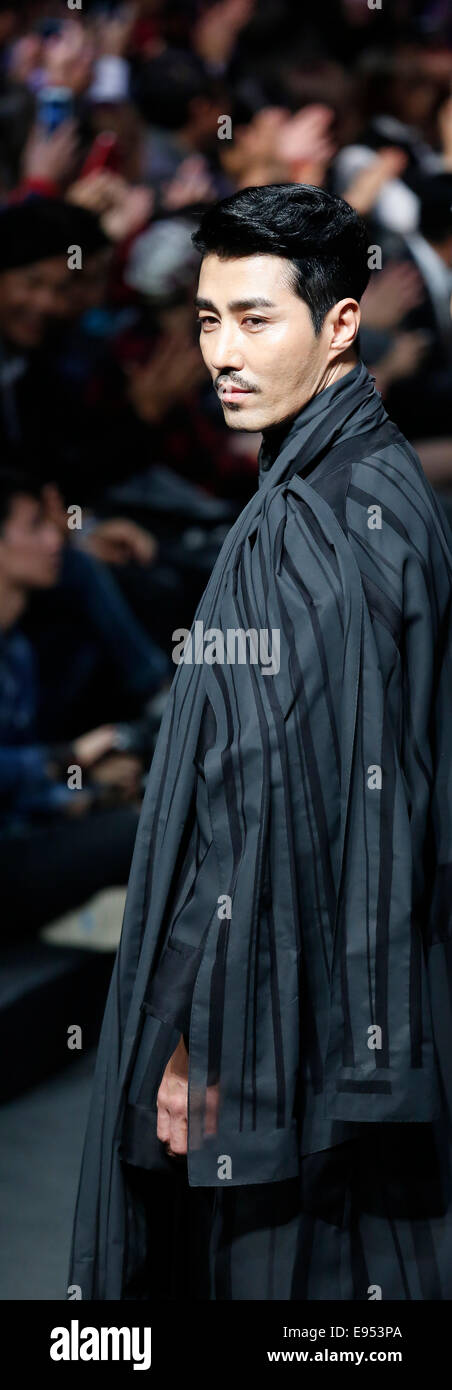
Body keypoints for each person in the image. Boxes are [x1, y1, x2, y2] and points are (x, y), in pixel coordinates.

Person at [68, 183, 452, 1301]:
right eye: (205, 320)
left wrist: (190, 1042)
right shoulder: (368, 485)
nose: (221, 353)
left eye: (254, 318)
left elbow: (259, 814)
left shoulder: (315, 527)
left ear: (339, 325)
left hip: (283, 1041)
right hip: (348, 1017)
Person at [0, 467, 142, 938]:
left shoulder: (17, 648)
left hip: (24, 834)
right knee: (142, 832)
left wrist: (87, 794)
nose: (55, 540)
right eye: (35, 527)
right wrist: (66, 760)